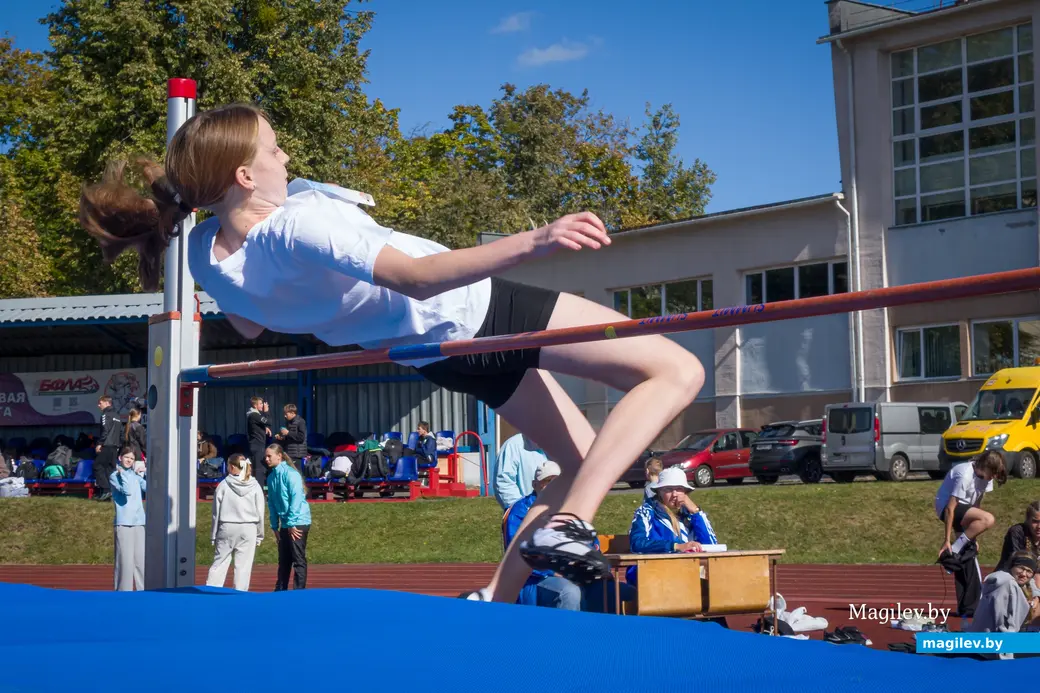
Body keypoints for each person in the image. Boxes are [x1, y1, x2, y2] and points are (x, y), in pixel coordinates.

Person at [77, 103, 706, 604]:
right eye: (273, 148)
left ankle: (497, 592)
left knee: (576, 460)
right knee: (676, 368)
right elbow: (418, 277)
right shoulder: (297, 225)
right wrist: (537, 239)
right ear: (244, 175)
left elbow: (245, 325)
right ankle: (571, 523)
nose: (285, 155)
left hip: (431, 353)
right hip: (474, 311)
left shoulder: (204, 250)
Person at [628, 466, 721, 585]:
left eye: (679, 489)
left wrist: (696, 512)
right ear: (659, 491)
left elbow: (712, 545)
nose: (675, 494)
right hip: (652, 575)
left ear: (685, 493)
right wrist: (676, 546)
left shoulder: (689, 516)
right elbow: (637, 543)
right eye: (669, 489)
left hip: (686, 574)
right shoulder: (646, 512)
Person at [206, 453, 265, 591]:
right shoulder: (255, 485)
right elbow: (260, 512)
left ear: (231, 467)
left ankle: (211, 591)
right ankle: (240, 594)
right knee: (243, 566)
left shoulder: (223, 486)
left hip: (227, 526)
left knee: (220, 562)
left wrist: (213, 535)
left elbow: (216, 513)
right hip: (249, 527)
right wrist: (260, 534)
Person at [934, 451, 1006, 558]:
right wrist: (947, 540)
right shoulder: (965, 475)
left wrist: (973, 537)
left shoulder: (987, 477)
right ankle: (956, 547)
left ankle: (954, 556)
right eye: (992, 473)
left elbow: (976, 506)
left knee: (967, 551)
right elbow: (950, 508)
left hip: (963, 508)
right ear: (985, 466)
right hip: (946, 506)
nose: (993, 477)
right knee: (988, 519)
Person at [265, 444, 312, 590]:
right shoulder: (271, 477)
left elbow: (296, 499)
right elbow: (272, 503)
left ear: (279, 456)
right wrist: (274, 526)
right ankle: (280, 590)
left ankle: (298, 592)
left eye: (269, 456)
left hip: (298, 521)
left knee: (298, 558)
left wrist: (292, 523)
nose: (266, 459)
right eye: (265, 456)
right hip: (286, 523)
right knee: (284, 559)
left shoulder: (291, 474)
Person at [110, 446, 147, 591]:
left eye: (132, 458)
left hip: (139, 522)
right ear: (120, 458)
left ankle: (143, 591)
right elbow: (127, 491)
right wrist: (124, 474)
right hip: (124, 523)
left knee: (140, 561)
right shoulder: (115, 476)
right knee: (125, 562)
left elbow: (149, 488)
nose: (129, 460)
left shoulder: (136, 476)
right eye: (127, 457)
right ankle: (122, 593)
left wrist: (144, 473)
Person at [494, 433, 550, 511]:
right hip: (526, 514)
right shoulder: (513, 446)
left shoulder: (563, 443)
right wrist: (521, 510)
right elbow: (504, 483)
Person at [997, 501, 1040, 574]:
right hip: (1010, 576)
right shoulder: (1017, 532)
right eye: (1035, 521)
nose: (1039, 527)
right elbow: (1018, 563)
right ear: (1028, 520)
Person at [94, 395, 122, 502]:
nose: (98, 405)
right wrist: (120, 446)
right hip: (115, 447)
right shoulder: (117, 416)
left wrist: (100, 443)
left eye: (100, 403)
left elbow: (105, 430)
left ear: (106, 403)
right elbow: (121, 433)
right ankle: (112, 494)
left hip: (106, 445)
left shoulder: (105, 414)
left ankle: (106, 491)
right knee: (110, 469)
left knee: (97, 466)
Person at [247, 397, 271, 488]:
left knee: (260, 469)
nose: (262, 405)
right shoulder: (254, 415)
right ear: (255, 405)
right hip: (257, 445)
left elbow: (260, 425)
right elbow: (268, 421)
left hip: (257, 445)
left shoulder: (255, 416)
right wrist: (266, 412)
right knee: (258, 470)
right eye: (260, 404)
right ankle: (259, 492)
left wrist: (265, 428)